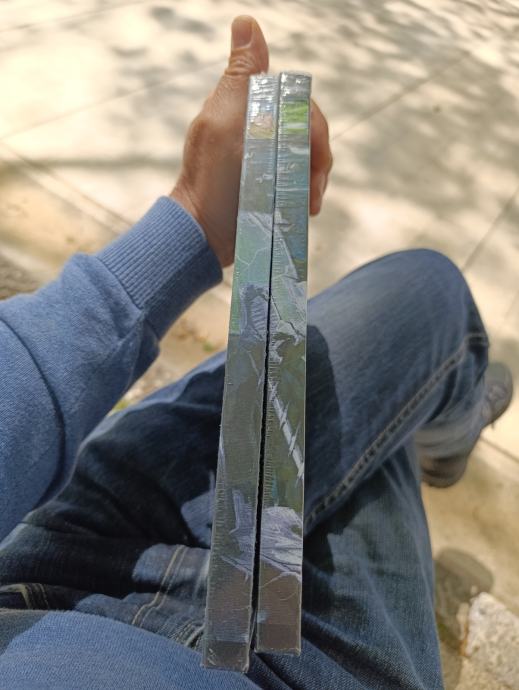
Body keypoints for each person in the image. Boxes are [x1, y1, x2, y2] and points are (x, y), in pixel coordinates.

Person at [0, 15, 512, 690]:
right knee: (383, 428)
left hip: (57, 564)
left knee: (425, 292)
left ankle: (437, 429)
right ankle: (440, 434)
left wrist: (192, 220)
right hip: (292, 671)